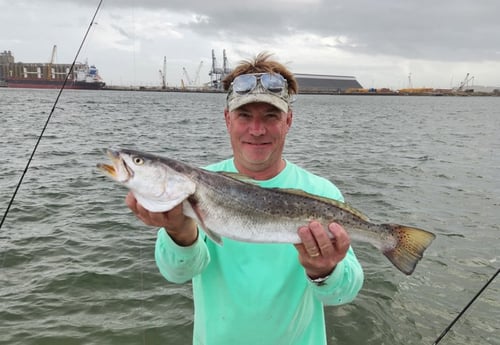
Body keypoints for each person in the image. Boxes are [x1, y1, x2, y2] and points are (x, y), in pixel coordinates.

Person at [126, 52, 364, 345]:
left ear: (288, 121)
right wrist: (180, 232)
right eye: (244, 116)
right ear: (227, 119)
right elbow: (176, 273)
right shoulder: (192, 186)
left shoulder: (322, 193)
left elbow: (345, 292)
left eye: (271, 116)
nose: (257, 129)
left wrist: (324, 270)